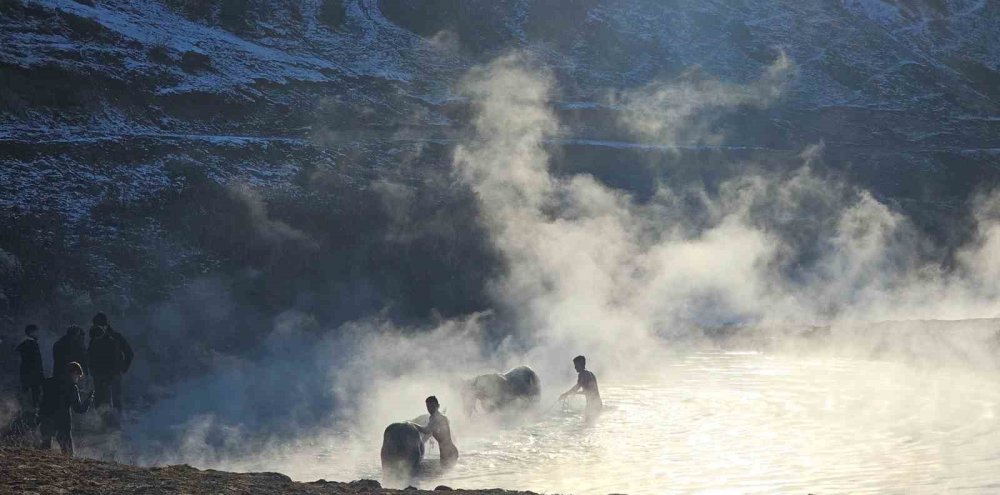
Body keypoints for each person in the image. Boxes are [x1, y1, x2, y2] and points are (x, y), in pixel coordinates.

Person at [38, 361, 93, 456]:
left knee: (44, 451)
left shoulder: (49, 382)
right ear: (74, 373)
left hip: (46, 418)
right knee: (68, 454)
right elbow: (79, 409)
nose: (77, 379)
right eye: (77, 376)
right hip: (62, 423)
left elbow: (42, 400)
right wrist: (88, 400)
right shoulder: (72, 387)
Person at [88, 313, 132, 418]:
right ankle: (105, 423)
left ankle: (115, 423)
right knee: (102, 400)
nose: (99, 326)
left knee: (114, 399)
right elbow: (90, 355)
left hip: (111, 373)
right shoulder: (95, 337)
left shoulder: (115, 337)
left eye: (100, 324)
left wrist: (123, 367)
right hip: (101, 374)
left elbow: (129, 352)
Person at [412, 396, 459, 469]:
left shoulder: (438, 418)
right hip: (447, 452)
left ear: (438, 406)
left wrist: (413, 425)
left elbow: (426, 430)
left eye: (432, 406)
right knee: (446, 477)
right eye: (428, 407)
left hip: (449, 452)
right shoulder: (435, 417)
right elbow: (431, 432)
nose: (430, 409)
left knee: (446, 475)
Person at [559, 355, 603, 423]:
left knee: (586, 426)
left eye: (576, 365)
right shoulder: (591, 373)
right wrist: (571, 393)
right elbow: (589, 391)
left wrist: (566, 394)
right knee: (589, 426)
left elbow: (577, 387)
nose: (575, 367)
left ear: (581, 364)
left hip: (592, 405)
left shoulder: (582, 374)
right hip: (598, 404)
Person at [15, 324, 44, 408]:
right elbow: (36, 362)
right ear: (31, 332)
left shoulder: (23, 344)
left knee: (25, 396)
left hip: (25, 374)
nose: (38, 334)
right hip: (33, 376)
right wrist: (40, 376)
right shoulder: (32, 344)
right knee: (35, 399)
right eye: (36, 332)